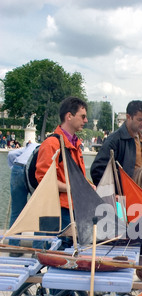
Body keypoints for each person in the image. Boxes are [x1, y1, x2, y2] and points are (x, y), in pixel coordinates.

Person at [35, 96, 89, 234]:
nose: (86, 121)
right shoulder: (51, 144)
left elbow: (77, 176)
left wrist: (87, 185)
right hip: (57, 211)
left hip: (72, 207)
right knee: (55, 249)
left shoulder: (75, 143)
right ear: (69, 116)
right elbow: (44, 181)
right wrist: (73, 188)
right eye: (82, 117)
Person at [90, 100, 142, 187]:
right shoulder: (114, 139)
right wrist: (113, 193)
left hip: (139, 193)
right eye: (140, 120)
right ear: (128, 117)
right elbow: (97, 170)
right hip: (124, 195)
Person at [7, 141, 40, 250]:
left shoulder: (31, 145)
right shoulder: (46, 146)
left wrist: (13, 168)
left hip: (17, 168)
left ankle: (13, 246)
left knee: (16, 212)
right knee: (40, 212)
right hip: (31, 170)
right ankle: (38, 248)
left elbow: (11, 154)